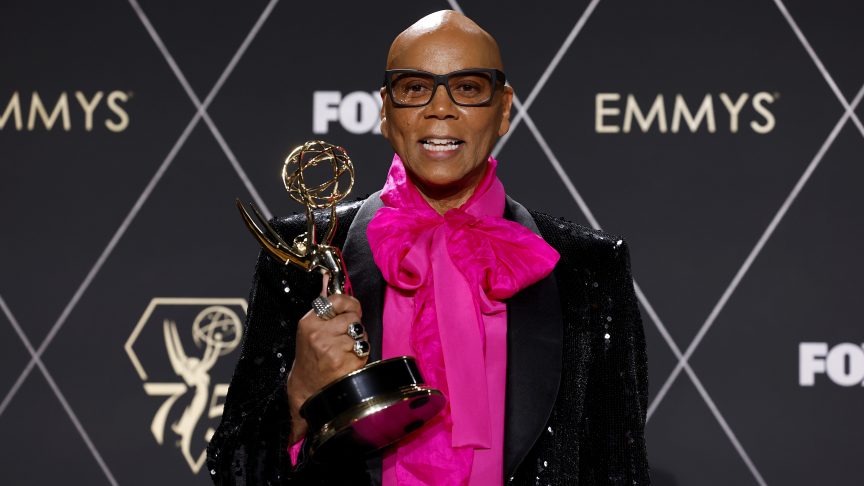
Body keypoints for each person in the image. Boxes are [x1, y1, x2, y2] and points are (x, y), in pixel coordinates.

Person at [208, 10, 649, 485]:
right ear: (384, 109)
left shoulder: (588, 268)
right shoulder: (306, 255)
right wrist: (299, 396)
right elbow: (234, 473)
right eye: (416, 87)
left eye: (468, 87)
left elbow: (618, 472)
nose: (441, 108)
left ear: (503, 109)